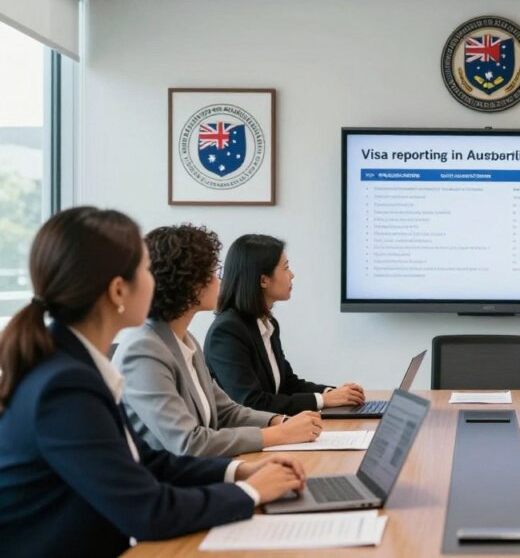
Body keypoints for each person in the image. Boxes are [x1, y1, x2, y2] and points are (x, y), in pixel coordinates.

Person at [0, 207, 305, 557]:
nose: (157, 277)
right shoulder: (64, 386)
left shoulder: (74, 365)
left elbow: (147, 462)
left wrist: (241, 471)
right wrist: (251, 492)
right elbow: (148, 511)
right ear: (118, 291)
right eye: (146, 269)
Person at [115, 225, 323, 457]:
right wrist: (280, 434)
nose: (220, 279)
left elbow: (226, 412)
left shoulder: (184, 339)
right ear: (189, 282)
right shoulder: (143, 350)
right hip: (168, 485)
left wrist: (280, 421)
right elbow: (188, 442)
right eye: (213, 272)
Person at [205, 234, 364, 414]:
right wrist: (323, 400)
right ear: (263, 280)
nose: (292, 275)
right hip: (249, 437)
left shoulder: (267, 323)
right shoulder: (227, 332)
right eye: (286, 268)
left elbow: (287, 384)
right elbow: (251, 402)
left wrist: (334, 393)